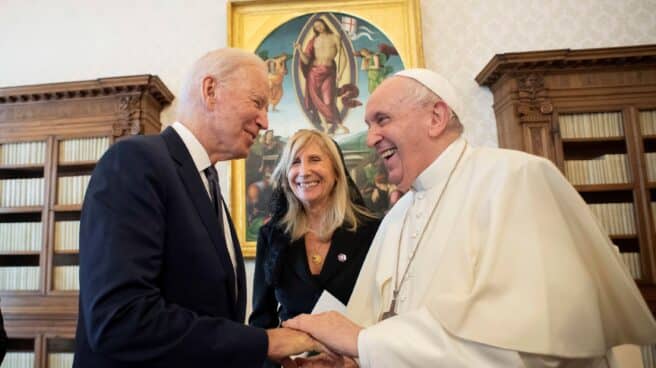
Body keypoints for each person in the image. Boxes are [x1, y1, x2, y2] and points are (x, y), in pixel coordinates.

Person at [284, 69, 656, 367]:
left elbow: (524, 350)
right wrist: (353, 359)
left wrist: (363, 342)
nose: (371, 139)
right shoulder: (397, 216)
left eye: (382, 120)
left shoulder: (514, 179)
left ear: (435, 117)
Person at [73, 48, 323, 368]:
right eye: (258, 102)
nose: (264, 121)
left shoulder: (208, 185)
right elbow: (120, 319)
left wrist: (271, 358)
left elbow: (208, 325)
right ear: (210, 90)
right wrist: (265, 341)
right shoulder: (136, 162)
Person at [249, 129, 380, 367]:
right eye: (295, 162)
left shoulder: (373, 232)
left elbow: (387, 315)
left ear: (337, 172)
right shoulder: (272, 237)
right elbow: (261, 321)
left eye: (315, 160)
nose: (304, 171)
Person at [295, 19, 348, 134]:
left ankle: (338, 124)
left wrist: (341, 73)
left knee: (328, 100)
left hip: (328, 72)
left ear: (325, 24)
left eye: (320, 24)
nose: (318, 27)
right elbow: (306, 60)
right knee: (317, 100)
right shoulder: (313, 40)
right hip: (313, 72)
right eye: (316, 26)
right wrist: (299, 49)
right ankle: (325, 127)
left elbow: (343, 57)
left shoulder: (335, 37)